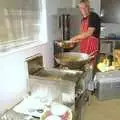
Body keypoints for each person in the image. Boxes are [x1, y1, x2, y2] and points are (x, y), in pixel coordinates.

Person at [69, 0, 101, 67]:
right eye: (80, 8)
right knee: (84, 68)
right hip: (83, 49)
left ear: (88, 7)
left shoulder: (93, 16)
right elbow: (82, 36)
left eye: (84, 7)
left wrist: (74, 38)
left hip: (92, 49)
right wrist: (73, 42)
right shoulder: (83, 20)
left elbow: (88, 33)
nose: (82, 10)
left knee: (90, 69)